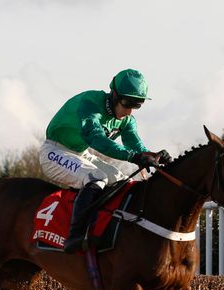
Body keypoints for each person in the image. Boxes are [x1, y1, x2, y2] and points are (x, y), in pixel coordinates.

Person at [39, 69, 172, 253]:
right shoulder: (90, 104)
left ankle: (106, 230)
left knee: (122, 180)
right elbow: (97, 140)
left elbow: (136, 145)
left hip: (80, 153)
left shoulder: (127, 120)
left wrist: (153, 155)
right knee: (96, 178)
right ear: (114, 95)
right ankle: (75, 237)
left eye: (137, 105)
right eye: (127, 103)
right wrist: (133, 156)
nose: (129, 111)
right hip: (54, 151)